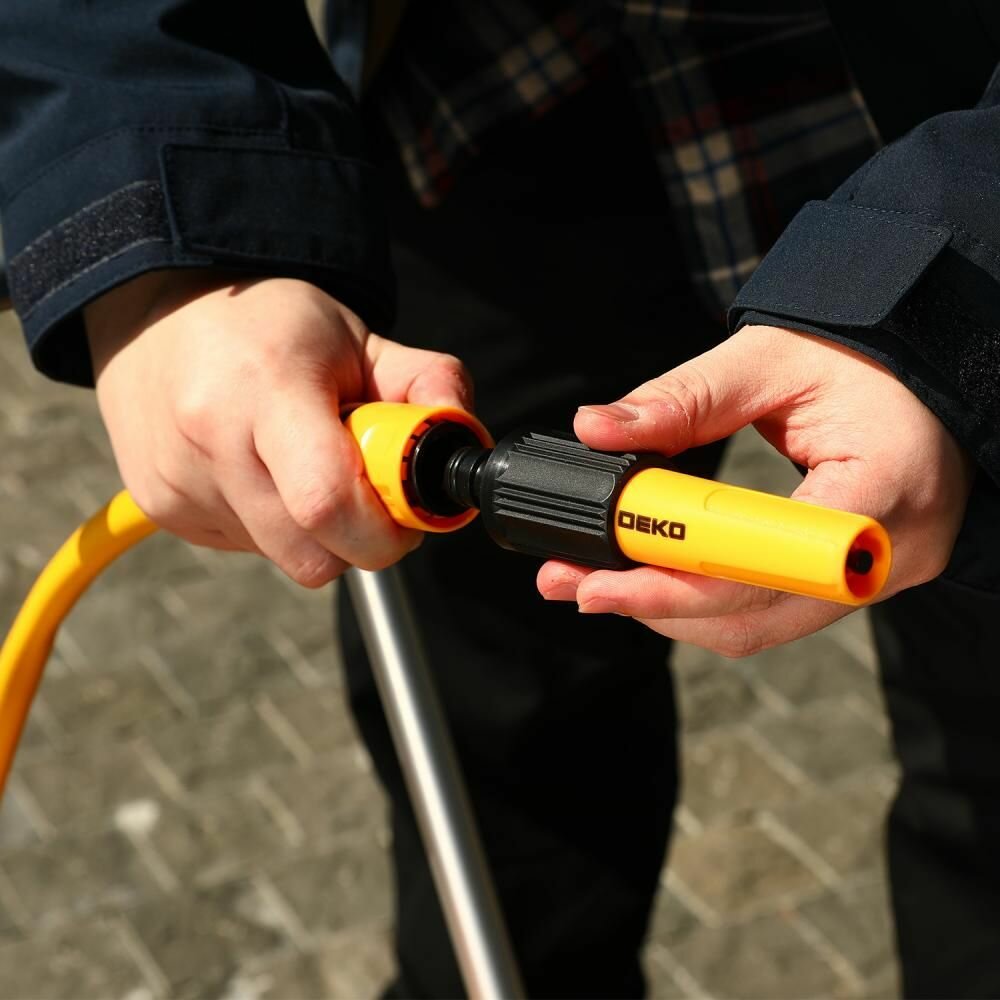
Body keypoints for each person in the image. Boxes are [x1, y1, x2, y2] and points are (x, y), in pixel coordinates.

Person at [1, 2, 999, 996]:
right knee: (498, 768)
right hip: (486, 110)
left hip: (943, 123)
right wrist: (166, 237)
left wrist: (966, 292)